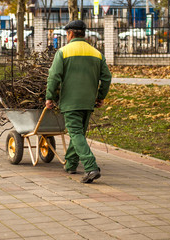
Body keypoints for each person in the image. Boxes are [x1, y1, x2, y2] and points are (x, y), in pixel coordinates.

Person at [45, 20, 112, 183]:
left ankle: (91, 167)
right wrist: (100, 97)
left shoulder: (63, 52)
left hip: (71, 101)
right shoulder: (96, 53)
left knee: (75, 133)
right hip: (88, 102)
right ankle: (71, 164)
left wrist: (50, 96)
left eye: (67, 34)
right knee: (79, 134)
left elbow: (54, 76)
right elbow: (107, 77)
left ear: (71, 33)